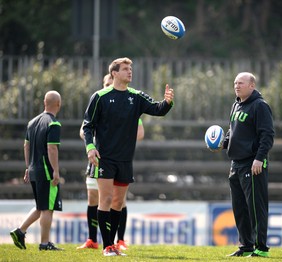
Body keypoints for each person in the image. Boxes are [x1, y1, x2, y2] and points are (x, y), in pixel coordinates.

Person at [82, 57, 174, 256]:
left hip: (125, 160)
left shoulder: (136, 96)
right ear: (114, 73)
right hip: (104, 158)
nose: (129, 71)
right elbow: (87, 125)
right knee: (105, 200)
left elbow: (158, 110)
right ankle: (107, 246)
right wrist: (90, 147)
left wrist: (167, 102)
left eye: (130, 68)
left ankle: (114, 244)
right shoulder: (100, 96)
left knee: (117, 203)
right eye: (125, 69)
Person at [77, 73, 145, 250]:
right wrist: (94, 142)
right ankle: (94, 239)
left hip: (119, 158)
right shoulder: (99, 100)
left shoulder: (129, 104)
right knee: (96, 199)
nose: (109, 87)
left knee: (118, 201)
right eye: (106, 84)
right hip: (98, 158)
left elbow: (140, 132)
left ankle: (118, 240)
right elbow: (84, 130)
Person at [223, 72, 274, 258]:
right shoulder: (236, 104)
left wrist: (259, 158)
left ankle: (262, 247)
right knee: (240, 208)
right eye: (235, 82)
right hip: (236, 163)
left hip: (253, 163)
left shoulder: (260, 106)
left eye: (241, 83)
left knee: (255, 206)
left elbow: (267, 135)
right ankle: (246, 246)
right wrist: (223, 143)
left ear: (252, 85)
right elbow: (232, 130)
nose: (237, 86)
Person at [10, 90, 63, 251]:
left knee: (41, 206)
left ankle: (20, 231)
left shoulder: (32, 123)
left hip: (33, 169)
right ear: (58, 104)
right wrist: (55, 171)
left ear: (44, 103)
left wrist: (28, 167)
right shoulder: (53, 123)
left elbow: (26, 146)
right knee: (48, 208)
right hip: (46, 171)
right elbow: (52, 148)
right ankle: (44, 244)